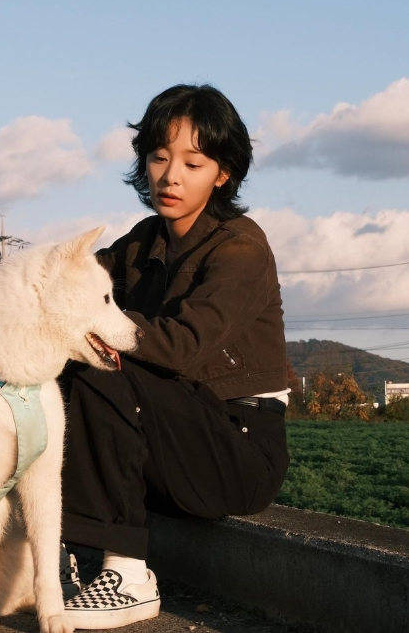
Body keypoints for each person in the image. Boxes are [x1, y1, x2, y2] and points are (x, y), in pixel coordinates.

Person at [59, 83, 290, 629]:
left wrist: (92, 324)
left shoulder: (241, 247)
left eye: (193, 161)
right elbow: (69, 284)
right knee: (59, 366)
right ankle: (51, 550)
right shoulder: (142, 241)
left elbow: (184, 347)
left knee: (102, 363)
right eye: (159, 157)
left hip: (235, 447)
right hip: (166, 440)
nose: (170, 176)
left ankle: (129, 576)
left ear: (223, 172)